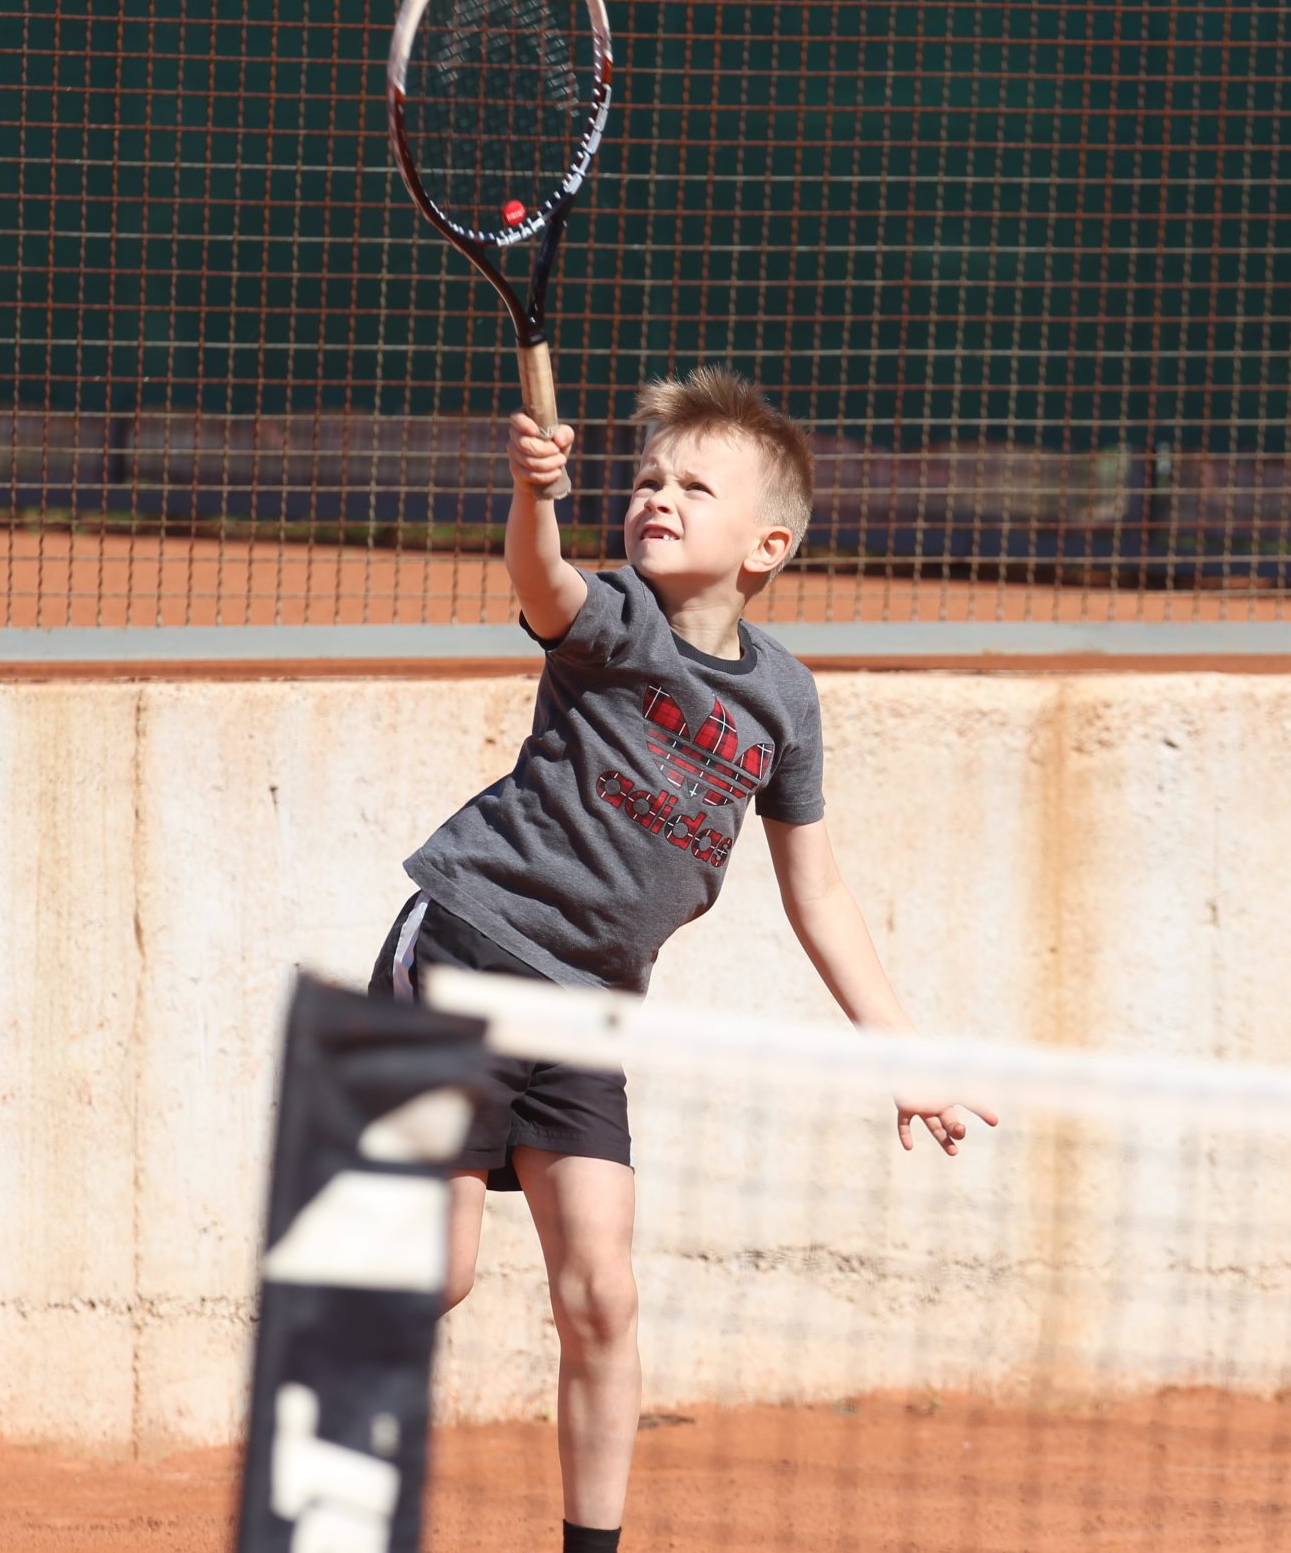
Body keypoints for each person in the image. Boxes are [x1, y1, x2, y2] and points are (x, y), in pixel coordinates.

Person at [368, 365, 995, 1553]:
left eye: (693, 485)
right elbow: (540, 581)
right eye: (647, 478)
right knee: (435, 1276)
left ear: (767, 543)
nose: (657, 496)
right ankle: (321, 1406)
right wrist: (531, 494)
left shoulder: (783, 701)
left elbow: (818, 891)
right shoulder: (614, 623)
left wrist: (903, 1060)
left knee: (603, 1297)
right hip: (464, 955)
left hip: (589, 1017)